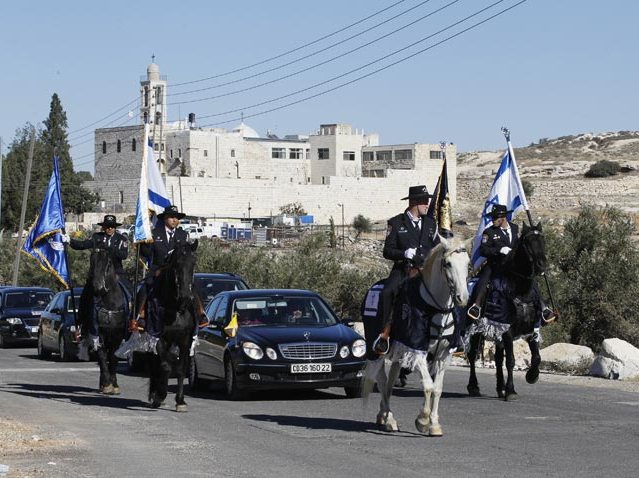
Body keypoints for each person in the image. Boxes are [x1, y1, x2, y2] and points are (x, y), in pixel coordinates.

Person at [375, 185, 439, 354]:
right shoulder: (396, 223)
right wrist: (404, 253)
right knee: (387, 292)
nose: (427, 204)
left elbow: (436, 247)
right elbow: (387, 251)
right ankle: (384, 334)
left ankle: (451, 335)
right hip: (404, 269)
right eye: (424, 201)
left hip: (425, 272)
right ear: (414, 202)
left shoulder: (431, 224)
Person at [133, 205, 207, 351]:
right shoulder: (155, 233)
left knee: (191, 286)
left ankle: (201, 313)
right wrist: (143, 240)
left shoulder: (182, 235)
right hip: (158, 271)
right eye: (172, 217)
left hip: (176, 272)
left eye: (176, 218)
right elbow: (147, 253)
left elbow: (186, 254)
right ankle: (140, 316)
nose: (174, 220)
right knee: (145, 289)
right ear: (165, 219)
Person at [467, 204, 556, 323]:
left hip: (511, 266)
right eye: (492, 218)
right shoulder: (489, 232)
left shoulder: (514, 228)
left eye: (495, 218)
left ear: (503, 218)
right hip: (495, 265)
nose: (492, 220)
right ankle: (476, 306)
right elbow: (483, 250)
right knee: (484, 280)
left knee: (529, 279)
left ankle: (544, 308)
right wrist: (499, 250)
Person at [61, 214, 130, 348]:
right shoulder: (96, 237)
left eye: (112, 227)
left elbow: (124, 255)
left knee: (129, 292)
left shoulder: (121, 239)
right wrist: (70, 241)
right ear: (103, 227)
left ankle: (131, 320)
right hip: (98, 274)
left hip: (116, 273)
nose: (109, 229)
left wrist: (107, 249)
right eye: (107, 226)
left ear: (115, 228)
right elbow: (83, 245)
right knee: (85, 295)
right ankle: (82, 323)